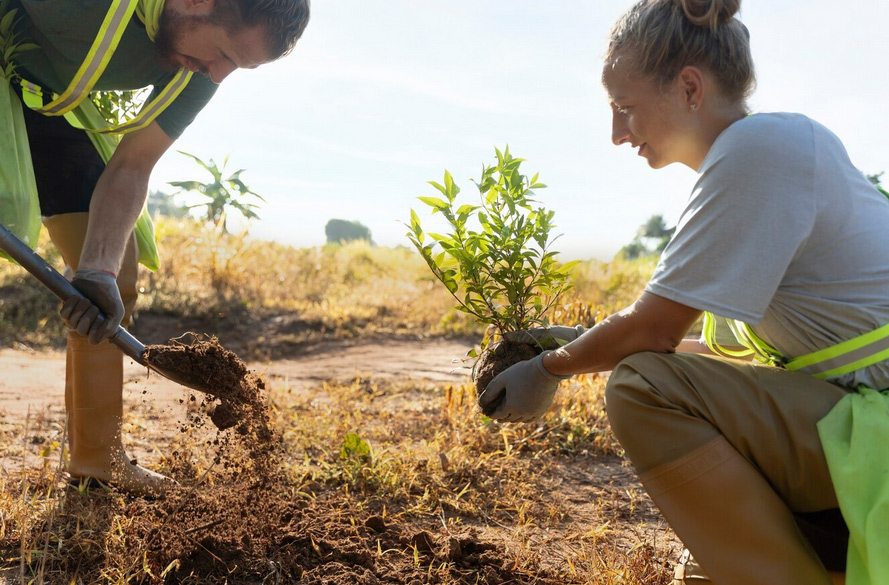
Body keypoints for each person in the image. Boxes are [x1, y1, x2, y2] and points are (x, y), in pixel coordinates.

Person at [478, 0, 889, 583]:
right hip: (860, 417)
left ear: (690, 88)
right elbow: (730, 364)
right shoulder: (770, 153)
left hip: (879, 433)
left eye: (625, 109)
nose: (617, 134)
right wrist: (586, 342)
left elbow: (653, 330)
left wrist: (549, 368)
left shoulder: (761, 150)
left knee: (643, 387)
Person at [0, 0, 310, 496]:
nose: (219, 75)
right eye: (225, 54)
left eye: (237, 67)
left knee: (112, 270)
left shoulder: (197, 71)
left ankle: (98, 464)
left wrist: (97, 271)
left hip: (48, 104)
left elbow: (132, 165)